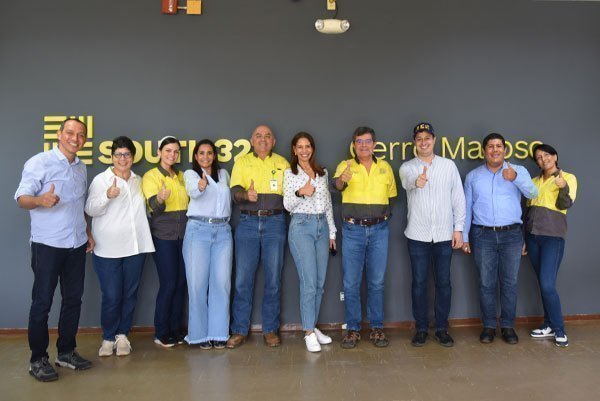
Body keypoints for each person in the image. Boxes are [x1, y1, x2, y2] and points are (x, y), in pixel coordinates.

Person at [15, 118, 94, 382]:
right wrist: (40, 200)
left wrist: (87, 232)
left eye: (81, 135)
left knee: (73, 300)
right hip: (47, 244)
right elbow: (21, 198)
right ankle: (37, 359)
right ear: (59, 134)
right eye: (70, 133)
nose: (75, 138)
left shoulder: (81, 167)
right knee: (42, 303)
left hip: (76, 243)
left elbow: (78, 204)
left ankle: (66, 352)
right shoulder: (39, 162)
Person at [462, 133, 538, 344]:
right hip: (482, 234)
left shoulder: (518, 171)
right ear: (484, 151)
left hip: (512, 234)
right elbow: (466, 208)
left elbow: (533, 193)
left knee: (510, 283)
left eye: (498, 146)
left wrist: (515, 178)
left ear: (505, 150)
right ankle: (488, 326)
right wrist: (465, 236)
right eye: (490, 146)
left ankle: (507, 326)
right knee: (486, 283)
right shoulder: (473, 176)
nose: (495, 150)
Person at [85, 136, 155, 357]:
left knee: (130, 293)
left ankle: (123, 335)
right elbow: (90, 209)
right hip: (107, 248)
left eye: (126, 154)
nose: (122, 159)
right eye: (118, 155)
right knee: (112, 295)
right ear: (112, 157)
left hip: (135, 248)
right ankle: (108, 337)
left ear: (132, 157)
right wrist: (107, 196)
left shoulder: (139, 180)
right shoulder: (101, 180)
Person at [399, 122, 465, 347]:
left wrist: (459, 229)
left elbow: (458, 199)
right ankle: (421, 329)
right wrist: (416, 182)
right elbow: (407, 183)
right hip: (417, 236)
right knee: (419, 283)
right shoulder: (407, 167)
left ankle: (442, 328)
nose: (424, 142)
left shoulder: (448, 166)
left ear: (434, 140)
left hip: (445, 235)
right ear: (414, 143)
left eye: (427, 138)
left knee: (444, 283)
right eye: (419, 139)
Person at [333, 126, 397, 349]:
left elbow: (391, 197)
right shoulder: (346, 165)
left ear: (374, 144)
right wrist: (343, 179)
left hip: (380, 230)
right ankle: (352, 329)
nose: (363, 145)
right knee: (351, 283)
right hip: (353, 231)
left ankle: (377, 328)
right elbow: (337, 185)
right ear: (353, 144)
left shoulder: (385, 167)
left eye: (367, 141)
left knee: (376, 282)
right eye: (359, 141)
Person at [226, 125, 290, 349]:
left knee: (273, 280)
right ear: (251, 141)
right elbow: (234, 194)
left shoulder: (283, 163)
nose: (263, 139)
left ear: (273, 141)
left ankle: (271, 329)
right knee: (243, 280)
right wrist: (246, 194)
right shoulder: (242, 162)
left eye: (268, 136)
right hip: (248, 223)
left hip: (275, 223)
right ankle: (239, 330)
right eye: (258, 136)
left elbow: (291, 195)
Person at [283, 132, 337, 352]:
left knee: (320, 283)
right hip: (301, 227)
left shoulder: (322, 173)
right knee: (309, 282)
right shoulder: (290, 173)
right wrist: (300, 192)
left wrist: (332, 232)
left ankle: (312, 327)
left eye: (308, 146)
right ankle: (307, 332)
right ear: (294, 150)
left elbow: (328, 205)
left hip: (321, 227)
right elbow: (287, 204)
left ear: (312, 149)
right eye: (300, 147)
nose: (304, 150)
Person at [524, 143, 577, 347]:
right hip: (532, 237)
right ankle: (547, 324)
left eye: (546, 155)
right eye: (538, 157)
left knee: (547, 284)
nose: (543, 159)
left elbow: (565, 205)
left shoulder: (568, 177)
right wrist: (523, 239)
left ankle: (559, 329)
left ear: (555, 156)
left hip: (552, 238)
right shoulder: (534, 181)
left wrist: (562, 187)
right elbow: (527, 211)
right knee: (543, 283)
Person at [182, 140, 233, 350]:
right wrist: (201, 186)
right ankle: (199, 335)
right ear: (195, 156)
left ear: (214, 155)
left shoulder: (224, 175)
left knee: (221, 284)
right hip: (198, 231)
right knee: (197, 285)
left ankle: (218, 334)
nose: (205, 157)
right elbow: (194, 191)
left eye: (209, 153)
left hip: (223, 232)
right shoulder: (190, 174)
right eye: (201, 153)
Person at [142, 136, 189, 347]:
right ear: (159, 152)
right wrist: (160, 198)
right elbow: (153, 207)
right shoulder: (151, 176)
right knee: (169, 283)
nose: (172, 155)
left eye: (176, 151)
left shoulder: (180, 175)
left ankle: (176, 329)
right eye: (168, 150)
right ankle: (161, 332)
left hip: (185, 235)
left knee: (180, 283)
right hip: (163, 235)